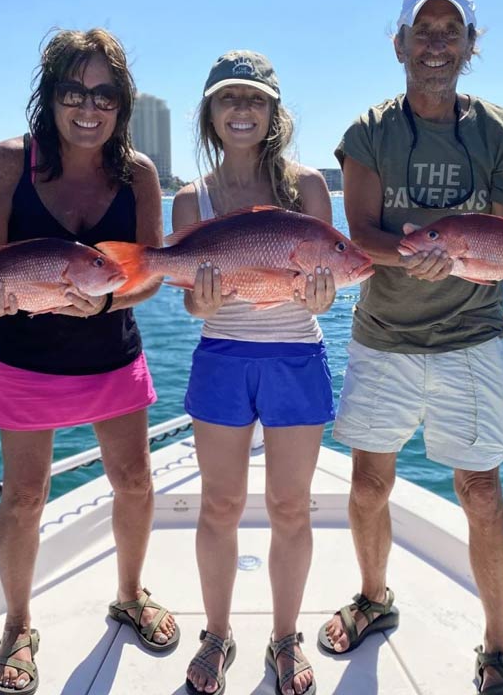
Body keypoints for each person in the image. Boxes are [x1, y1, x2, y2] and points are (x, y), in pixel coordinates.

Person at [318, 0, 503, 695]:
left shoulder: (501, 131)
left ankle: (496, 645)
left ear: (470, 47)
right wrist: (407, 255)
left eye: (451, 31)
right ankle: (373, 596)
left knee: (481, 492)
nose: (436, 43)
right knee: (367, 483)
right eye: (423, 30)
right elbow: (359, 235)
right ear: (399, 45)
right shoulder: (368, 132)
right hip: (384, 334)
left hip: (473, 337)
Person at [0, 28, 178, 694]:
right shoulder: (8, 162)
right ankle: (18, 625)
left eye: (105, 95)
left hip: (110, 357)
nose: (89, 107)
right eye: (73, 91)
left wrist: (108, 305)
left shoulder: (138, 174)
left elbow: (148, 274)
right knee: (24, 496)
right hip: (21, 363)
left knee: (136, 484)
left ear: (124, 103)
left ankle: (130, 593)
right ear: (50, 96)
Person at [173, 50, 333, 695]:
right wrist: (198, 299)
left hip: (296, 356)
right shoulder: (193, 198)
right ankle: (217, 632)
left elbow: (331, 271)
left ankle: (285, 635)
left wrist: (325, 295)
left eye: (255, 100)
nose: (242, 111)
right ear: (210, 114)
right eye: (228, 99)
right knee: (220, 504)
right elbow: (189, 299)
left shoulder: (309, 187)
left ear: (275, 114)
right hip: (223, 357)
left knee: (291, 506)